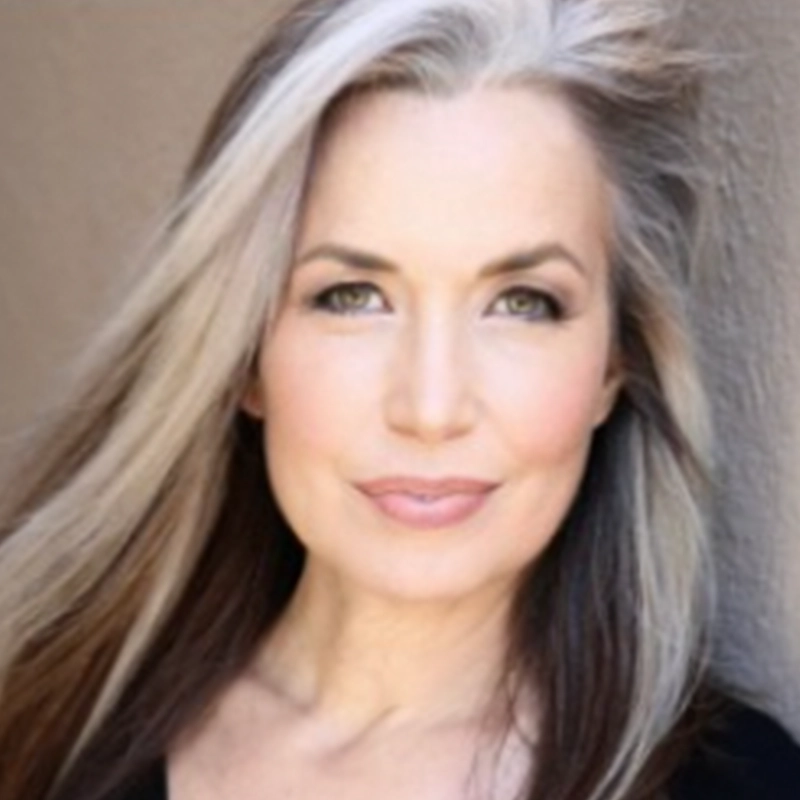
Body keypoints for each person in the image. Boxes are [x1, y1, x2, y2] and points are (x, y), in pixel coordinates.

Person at [1, 0, 798, 798]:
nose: (430, 405)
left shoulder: (741, 785)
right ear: (243, 353)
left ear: (614, 364)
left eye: (522, 302)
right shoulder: (42, 740)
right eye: (352, 296)